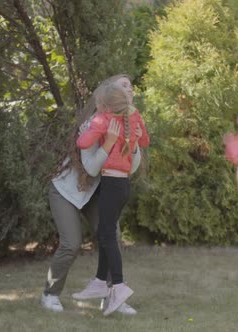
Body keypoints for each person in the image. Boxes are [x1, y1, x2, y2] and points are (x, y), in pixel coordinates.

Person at [40, 75, 142, 315]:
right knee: (71, 243)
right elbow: (91, 168)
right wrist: (110, 142)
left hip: (94, 191)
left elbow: (132, 167)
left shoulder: (128, 122)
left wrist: (134, 143)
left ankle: (113, 296)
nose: (129, 90)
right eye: (123, 86)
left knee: (112, 235)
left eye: (130, 86)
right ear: (107, 98)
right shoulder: (93, 124)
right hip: (66, 191)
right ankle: (50, 293)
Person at [74, 81, 150, 316]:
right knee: (107, 233)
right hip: (123, 186)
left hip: (110, 184)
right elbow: (144, 141)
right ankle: (99, 281)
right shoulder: (134, 118)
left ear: (104, 104)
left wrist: (95, 129)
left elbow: (82, 143)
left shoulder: (104, 120)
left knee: (106, 235)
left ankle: (117, 286)